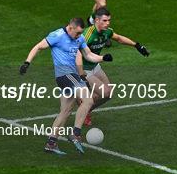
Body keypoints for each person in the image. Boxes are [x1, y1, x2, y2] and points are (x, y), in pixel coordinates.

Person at [19, 17, 113, 155]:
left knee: (66, 111)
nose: (79, 36)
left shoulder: (79, 39)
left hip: (72, 76)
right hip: (65, 76)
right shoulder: (57, 36)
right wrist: (27, 62)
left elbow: (88, 55)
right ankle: (76, 134)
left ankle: (51, 143)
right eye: (77, 33)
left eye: (81, 33)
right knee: (88, 99)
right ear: (70, 27)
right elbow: (39, 46)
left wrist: (103, 58)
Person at [76, 7, 150, 126]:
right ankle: (84, 107)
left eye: (109, 20)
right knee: (105, 92)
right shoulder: (87, 35)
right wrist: (80, 72)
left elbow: (119, 38)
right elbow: (76, 52)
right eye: (104, 21)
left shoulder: (107, 32)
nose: (107, 23)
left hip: (95, 66)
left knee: (109, 94)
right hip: (84, 69)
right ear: (96, 20)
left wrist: (136, 45)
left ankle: (85, 105)